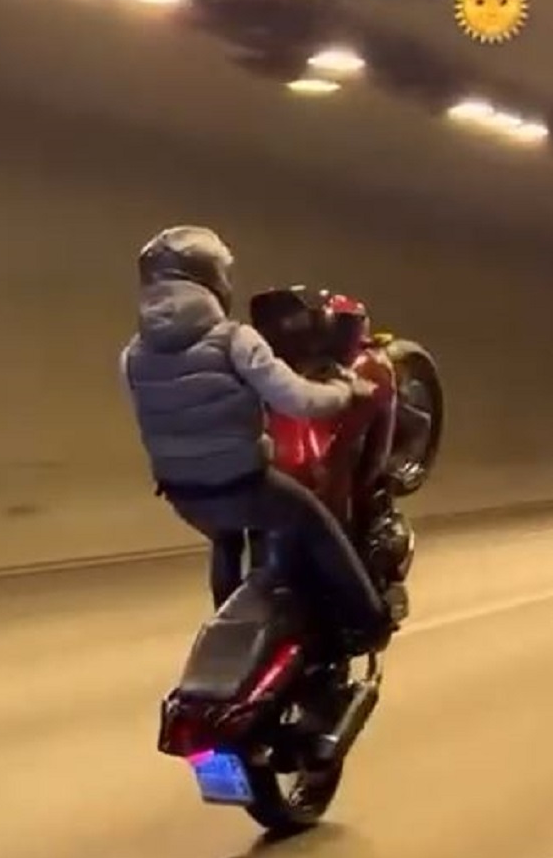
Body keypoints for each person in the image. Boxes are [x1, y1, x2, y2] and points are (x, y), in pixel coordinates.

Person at [119, 225, 391, 651]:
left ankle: (228, 632)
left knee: (227, 535)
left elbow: (151, 415)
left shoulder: (132, 354)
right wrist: (345, 391)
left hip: (183, 495)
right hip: (242, 483)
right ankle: (369, 622)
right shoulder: (235, 338)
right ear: (211, 278)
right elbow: (299, 401)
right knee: (312, 519)